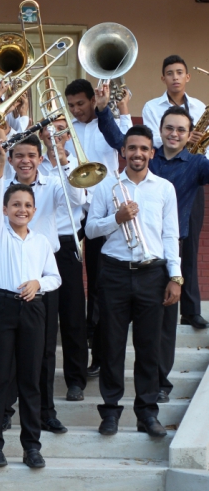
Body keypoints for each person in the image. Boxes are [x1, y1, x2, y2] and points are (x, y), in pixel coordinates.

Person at [85, 125, 181, 439]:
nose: (137, 154)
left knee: (149, 346)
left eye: (143, 148)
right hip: (114, 272)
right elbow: (90, 230)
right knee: (111, 345)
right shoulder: (106, 186)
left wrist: (175, 276)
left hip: (152, 274)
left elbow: (170, 236)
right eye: (132, 148)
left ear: (152, 152)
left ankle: (147, 413)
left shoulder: (165, 188)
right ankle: (110, 412)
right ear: (123, 152)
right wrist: (117, 219)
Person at [0, 141, 61, 469]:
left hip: (33, 309)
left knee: (30, 380)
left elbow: (55, 277)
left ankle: (31, 447)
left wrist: (38, 283)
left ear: (34, 209)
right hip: (2, 308)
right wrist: (0, 169)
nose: (22, 210)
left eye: (27, 205)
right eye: (15, 204)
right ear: (5, 210)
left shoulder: (41, 242)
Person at [65, 78, 132, 377]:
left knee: (99, 284)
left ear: (93, 100)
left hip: (103, 211)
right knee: (70, 281)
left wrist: (109, 110)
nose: (76, 110)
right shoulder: (68, 129)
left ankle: (99, 353)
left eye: (81, 103)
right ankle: (80, 346)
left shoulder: (109, 123)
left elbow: (122, 143)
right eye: (71, 106)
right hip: (74, 211)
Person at [147, 107, 209, 400]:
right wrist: (106, 109)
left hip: (172, 250)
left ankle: (160, 383)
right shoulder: (147, 156)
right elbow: (116, 139)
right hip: (138, 252)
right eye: (169, 128)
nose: (174, 134)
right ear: (160, 130)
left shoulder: (197, 163)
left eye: (181, 130)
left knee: (165, 325)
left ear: (189, 135)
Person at [142, 55, 207, 329]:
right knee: (158, 242)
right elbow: (151, 139)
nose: (175, 77)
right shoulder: (151, 107)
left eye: (180, 72)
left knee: (189, 246)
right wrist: (184, 137)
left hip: (191, 177)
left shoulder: (200, 106)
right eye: (170, 73)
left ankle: (191, 310)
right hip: (161, 177)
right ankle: (155, 301)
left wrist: (197, 150)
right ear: (163, 78)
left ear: (187, 77)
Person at [38, 119, 89, 403]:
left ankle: (76, 380)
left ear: (68, 134)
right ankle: (39, 381)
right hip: (38, 246)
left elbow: (79, 199)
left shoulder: (76, 164)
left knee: (72, 316)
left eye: (60, 128)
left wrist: (64, 162)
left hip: (67, 244)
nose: (53, 133)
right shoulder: (33, 164)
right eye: (48, 128)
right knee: (42, 317)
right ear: (41, 133)